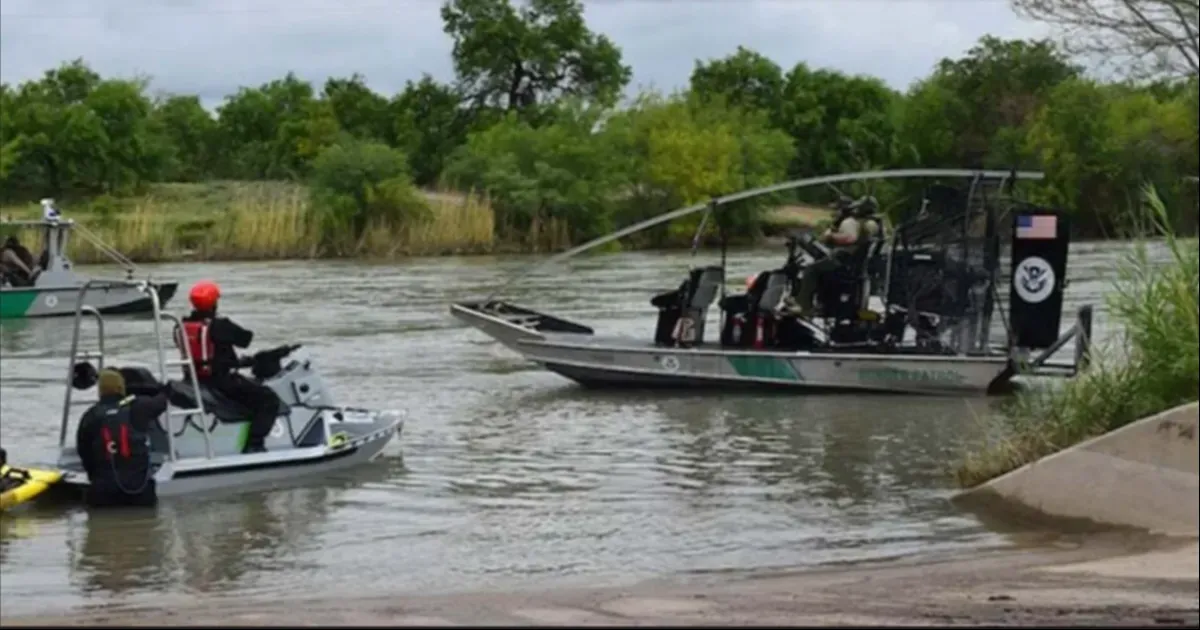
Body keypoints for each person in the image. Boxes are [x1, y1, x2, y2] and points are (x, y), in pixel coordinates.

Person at [175, 280, 281, 454]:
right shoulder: (219, 325)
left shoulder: (181, 326)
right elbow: (246, 339)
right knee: (269, 399)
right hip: (222, 383)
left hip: (193, 380)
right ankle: (255, 444)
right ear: (214, 303)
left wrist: (239, 362)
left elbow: (210, 354)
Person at [75, 369, 167, 508]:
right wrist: (163, 388)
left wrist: (94, 477)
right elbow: (162, 402)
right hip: (139, 492)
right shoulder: (139, 407)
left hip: (103, 493)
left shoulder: (90, 416)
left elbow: (84, 452)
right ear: (121, 388)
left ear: (100, 391)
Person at [792, 196, 882, 317]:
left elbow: (850, 238)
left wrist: (831, 236)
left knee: (811, 269)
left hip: (844, 263)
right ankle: (819, 302)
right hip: (856, 266)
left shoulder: (853, 222)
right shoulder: (875, 224)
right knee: (821, 263)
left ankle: (804, 306)